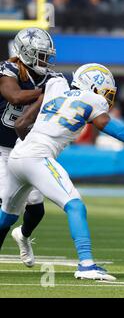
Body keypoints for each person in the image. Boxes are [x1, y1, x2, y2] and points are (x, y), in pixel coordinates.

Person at [0, 63, 124, 280]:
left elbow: (24, 122)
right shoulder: (91, 99)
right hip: (36, 156)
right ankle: (86, 264)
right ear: (94, 86)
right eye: (106, 92)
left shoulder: (55, 88)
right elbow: (122, 133)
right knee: (75, 206)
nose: (107, 98)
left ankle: (80, 261)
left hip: (18, 154)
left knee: (6, 217)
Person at [0, 27, 62, 267]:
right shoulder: (8, 69)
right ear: (25, 52)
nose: (45, 61)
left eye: (47, 56)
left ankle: (23, 236)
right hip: (1, 146)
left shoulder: (51, 78)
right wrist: (46, 92)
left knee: (37, 209)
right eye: (40, 55)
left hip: (25, 147)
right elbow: (15, 97)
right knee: (6, 201)